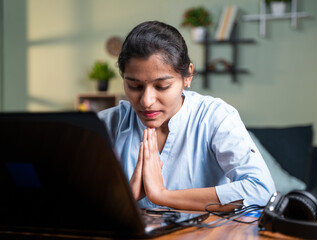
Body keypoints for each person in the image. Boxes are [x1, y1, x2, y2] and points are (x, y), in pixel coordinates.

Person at [98, 20, 275, 211]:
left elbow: (261, 190)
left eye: (162, 86)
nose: (146, 101)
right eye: (134, 86)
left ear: (187, 76)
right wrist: (123, 199)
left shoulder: (215, 117)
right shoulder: (105, 124)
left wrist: (162, 195)